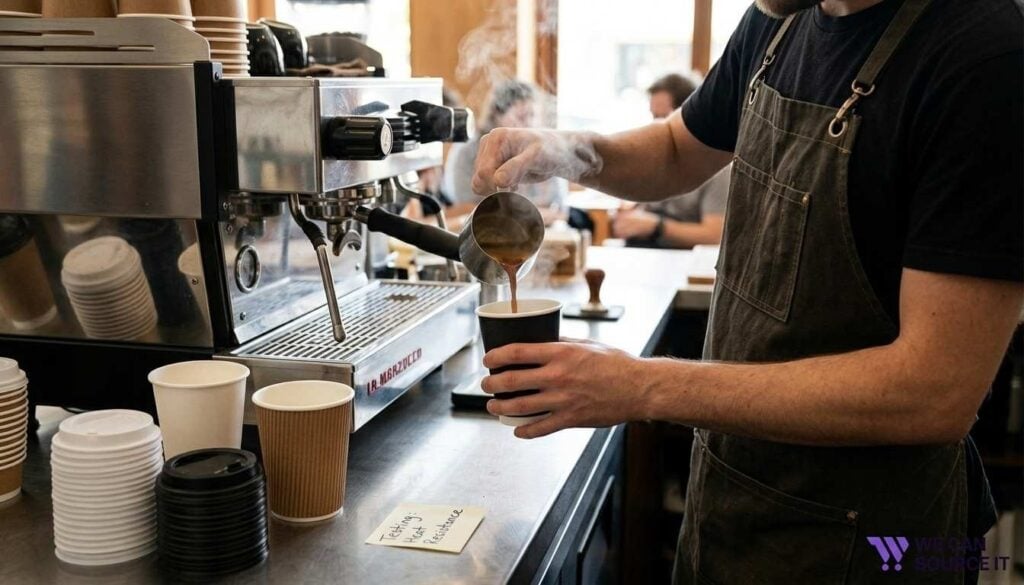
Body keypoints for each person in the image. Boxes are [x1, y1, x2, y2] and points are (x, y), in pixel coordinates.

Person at [470, 1, 1023, 584]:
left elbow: (934, 392)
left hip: (868, 539)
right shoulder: (778, 18)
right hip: (734, 497)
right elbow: (679, 149)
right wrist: (567, 152)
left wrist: (643, 385)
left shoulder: (985, 59)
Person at [613, 73, 729, 248]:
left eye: (664, 117)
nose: (656, 127)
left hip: (680, 262)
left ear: (691, 116)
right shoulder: (655, 158)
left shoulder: (719, 169)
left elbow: (714, 235)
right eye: (654, 117)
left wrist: (656, 226)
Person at [444, 80, 568, 224]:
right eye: (522, 117)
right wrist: (531, 212)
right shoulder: (468, 152)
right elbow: (466, 208)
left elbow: (560, 211)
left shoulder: (544, 152)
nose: (529, 124)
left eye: (533, 116)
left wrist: (508, 212)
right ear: (497, 116)